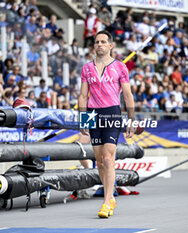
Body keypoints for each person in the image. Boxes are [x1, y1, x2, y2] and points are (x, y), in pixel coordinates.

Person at [78, 30, 134, 218]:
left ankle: (106, 201)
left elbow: (127, 95)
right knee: (100, 161)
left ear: (111, 46)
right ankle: (109, 195)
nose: (99, 44)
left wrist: (131, 119)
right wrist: (83, 118)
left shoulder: (120, 67)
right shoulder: (86, 68)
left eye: (103, 41)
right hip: (93, 114)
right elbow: (82, 94)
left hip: (112, 111)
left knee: (109, 159)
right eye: (97, 42)